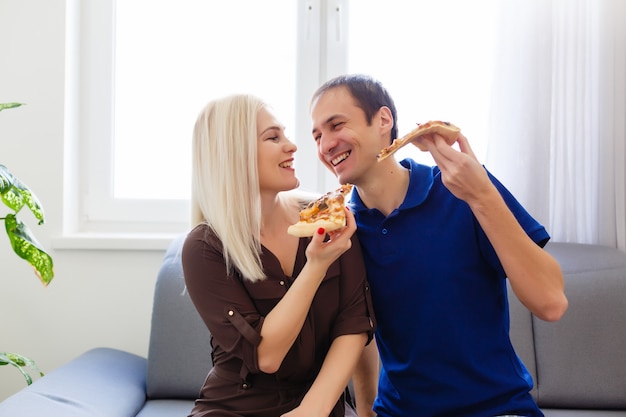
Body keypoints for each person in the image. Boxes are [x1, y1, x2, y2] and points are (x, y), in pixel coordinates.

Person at [309, 74, 569, 417]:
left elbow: (551, 303)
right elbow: (357, 333)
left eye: (336, 125)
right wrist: (368, 411)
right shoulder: (342, 232)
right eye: (317, 135)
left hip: (497, 408)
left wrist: (481, 195)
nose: (325, 144)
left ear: (383, 120)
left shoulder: (463, 187)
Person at [181, 94, 376, 417]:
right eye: (273, 137)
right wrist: (316, 266)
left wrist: (316, 409)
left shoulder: (328, 216)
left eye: (284, 134)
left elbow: (354, 325)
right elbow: (266, 356)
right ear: (234, 154)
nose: (292, 146)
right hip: (234, 408)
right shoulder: (204, 248)